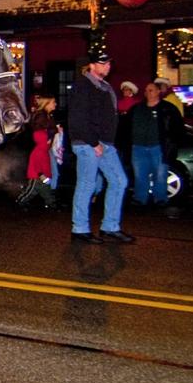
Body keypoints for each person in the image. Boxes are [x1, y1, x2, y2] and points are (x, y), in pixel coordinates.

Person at [69, 52, 133, 243]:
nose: (107, 66)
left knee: (119, 181)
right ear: (91, 65)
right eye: (102, 63)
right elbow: (78, 119)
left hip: (105, 143)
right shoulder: (83, 86)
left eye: (109, 63)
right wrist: (93, 142)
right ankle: (80, 229)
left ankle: (110, 227)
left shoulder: (103, 86)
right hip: (88, 143)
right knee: (87, 184)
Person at [124, 82, 184, 208]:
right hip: (138, 147)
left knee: (160, 174)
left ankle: (160, 198)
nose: (148, 93)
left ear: (158, 92)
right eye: (146, 90)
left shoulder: (168, 109)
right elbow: (126, 126)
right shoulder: (136, 109)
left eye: (151, 90)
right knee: (140, 175)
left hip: (159, 147)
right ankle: (140, 198)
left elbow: (177, 128)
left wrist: (171, 144)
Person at [16, 95, 59, 209]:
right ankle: (21, 201)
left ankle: (51, 203)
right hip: (40, 158)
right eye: (53, 102)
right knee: (35, 186)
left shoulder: (45, 119)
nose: (55, 104)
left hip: (43, 155)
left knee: (42, 186)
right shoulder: (42, 121)